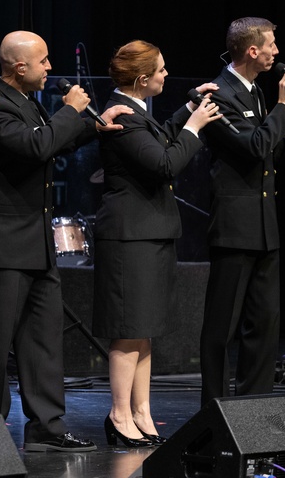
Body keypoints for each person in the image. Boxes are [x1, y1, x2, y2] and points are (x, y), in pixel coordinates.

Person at [0, 30, 131, 452]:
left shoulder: (27, 103)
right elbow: (37, 147)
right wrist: (72, 110)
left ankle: (46, 426)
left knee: (42, 338)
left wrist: (94, 126)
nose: (50, 68)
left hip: (35, 240)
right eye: (44, 61)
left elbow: (54, 141)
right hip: (1, 241)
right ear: (20, 67)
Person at [197, 17, 285, 407]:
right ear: (252, 50)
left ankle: (253, 410)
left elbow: (269, 144)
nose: (277, 52)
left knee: (265, 323)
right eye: (271, 45)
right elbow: (254, 146)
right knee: (222, 328)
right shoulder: (218, 94)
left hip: (264, 225)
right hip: (235, 225)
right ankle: (216, 412)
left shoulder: (254, 91)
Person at [92, 40, 222, 446]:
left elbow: (160, 138)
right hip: (130, 234)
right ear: (143, 78)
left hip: (152, 231)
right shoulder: (123, 114)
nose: (168, 76)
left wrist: (187, 110)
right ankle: (118, 414)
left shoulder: (137, 112)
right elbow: (165, 162)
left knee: (144, 329)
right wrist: (195, 126)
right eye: (162, 71)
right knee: (128, 328)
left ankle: (141, 410)